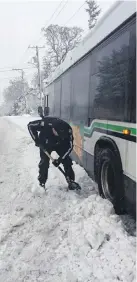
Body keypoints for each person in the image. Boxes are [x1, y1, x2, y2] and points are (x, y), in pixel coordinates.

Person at [27, 116, 75, 189]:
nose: (58, 135)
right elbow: (30, 125)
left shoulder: (68, 130)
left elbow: (70, 147)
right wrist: (36, 140)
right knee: (44, 162)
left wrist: (60, 159)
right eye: (57, 133)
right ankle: (41, 183)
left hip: (60, 144)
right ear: (53, 129)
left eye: (61, 135)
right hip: (45, 143)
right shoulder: (45, 123)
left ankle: (71, 181)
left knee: (67, 160)